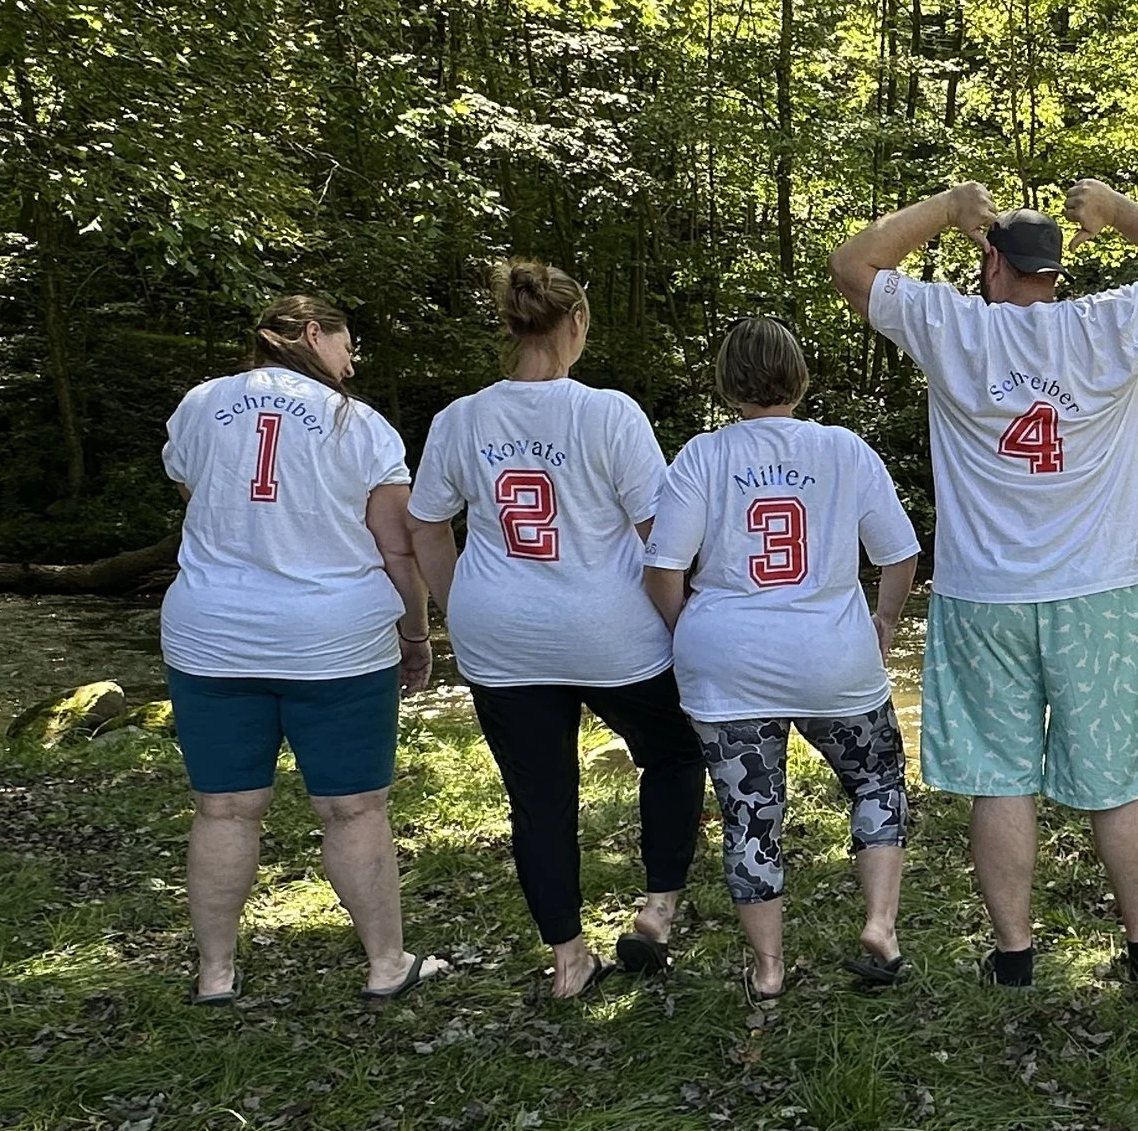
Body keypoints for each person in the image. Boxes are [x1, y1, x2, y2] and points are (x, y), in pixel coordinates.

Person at [829, 179, 1138, 989]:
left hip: (982, 597)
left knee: (998, 776)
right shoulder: (1108, 323)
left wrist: (944, 207)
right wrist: (1117, 213)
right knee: (1117, 775)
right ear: (1056, 270)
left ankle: (1014, 957)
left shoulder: (954, 325)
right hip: (1097, 593)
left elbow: (852, 264)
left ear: (992, 264)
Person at [406, 261, 705, 1000]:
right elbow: (659, 536)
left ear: (510, 327)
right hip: (612, 631)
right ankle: (657, 908)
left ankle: (568, 959)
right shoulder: (607, 412)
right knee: (673, 752)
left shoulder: (461, 419)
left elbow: (425, 524)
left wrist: (457, 604)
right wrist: (691, 623)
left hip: (502, 636)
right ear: (576, 323)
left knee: (540, 798)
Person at [160, 295, 446, 1005]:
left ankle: (216, 973)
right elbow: (395, 546)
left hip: (212, 634)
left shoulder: (199, 405)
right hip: (336, 641)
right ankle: (386, 962)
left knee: (224, 808)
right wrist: (416, 633)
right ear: (312, 333)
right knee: (355, 808)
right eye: (347, 345)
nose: (351, 362)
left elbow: (201, 496)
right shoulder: (362, 425)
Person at [643, 318, 921, 1003]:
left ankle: (768, 970)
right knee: (877, 780)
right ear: (799, 375)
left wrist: (691, 630)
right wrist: (882, 619)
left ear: (727, 381)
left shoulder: (702, 457)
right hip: (835, 658)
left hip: (728, 665)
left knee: (750, 815)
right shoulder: (843, 450)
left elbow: (663, 567)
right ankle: (880, 926)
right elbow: (899, 552)